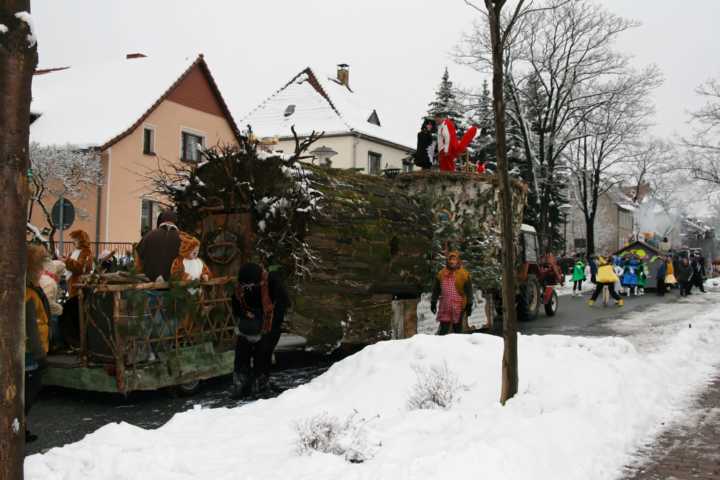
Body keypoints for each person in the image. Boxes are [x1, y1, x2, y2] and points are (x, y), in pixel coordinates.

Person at [231, 262, 290, 399]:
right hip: (249, 325)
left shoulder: (272, 282)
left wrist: (269, 325)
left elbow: (284, 303)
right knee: (241, 354)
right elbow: (236, 304)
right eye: (244, 286)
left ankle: (261, 385)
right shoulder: (242, 285)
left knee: (263, 354)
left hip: (270, 324)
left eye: (249, 286)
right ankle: (241, 385)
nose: (247, 289)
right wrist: (244, 314)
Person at [25, 245, 51, 443]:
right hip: (29, 352)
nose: (43, 270)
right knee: (28, 391)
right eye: (40, 266)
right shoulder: (28, 292)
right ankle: (18, 427)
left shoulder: (31, 288)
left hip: (28, 349)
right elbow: (31, 327)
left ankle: (20, 426)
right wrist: (40, 354)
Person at [430, 251, 473, 335]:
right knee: (443, 330)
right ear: (447, 261)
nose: (452, 261)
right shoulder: (441, 273)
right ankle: (442, 347)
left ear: (458, 261)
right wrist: (433, 302)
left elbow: (469, 291)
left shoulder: (464, 274)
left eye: (454, 259)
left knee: (457, 330)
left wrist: (469, 304)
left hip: (458, 306)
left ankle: (457, 347)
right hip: (445, 306)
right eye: (450, 259)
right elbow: (436, 289)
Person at [135, 210, 181, 282]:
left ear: (160, 221)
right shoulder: (184, 239)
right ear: (176, 221)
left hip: (149, 285)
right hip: (175, 286)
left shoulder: (148, 236)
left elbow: (138, 262)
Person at [39, 259, 66, 351]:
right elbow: (48, 303)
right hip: (42, 313)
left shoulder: (44, 277)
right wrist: (59, 308)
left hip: (39, 310)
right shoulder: (50, 282)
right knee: (55, 318)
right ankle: (57, 343)